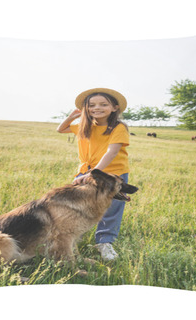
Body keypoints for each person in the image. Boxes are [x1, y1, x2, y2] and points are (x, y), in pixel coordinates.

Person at [56, 88, 130, 261]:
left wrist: (92, 173)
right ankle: (70, 237)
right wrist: (73, 116)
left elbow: (111, 153)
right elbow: (61, 129)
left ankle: (104, 242)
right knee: (77, 205)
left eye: (103, 104)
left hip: (113, 174)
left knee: (111, 209)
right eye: (91, 105)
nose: (97, 108)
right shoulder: (85, 126)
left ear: (114, 108)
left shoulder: (118, 127)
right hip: (85, 171)